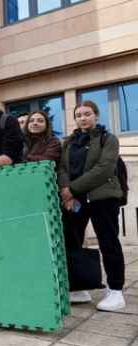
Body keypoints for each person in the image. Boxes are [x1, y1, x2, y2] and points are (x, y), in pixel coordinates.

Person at [58, 100, 126, 311]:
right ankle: (80, 287)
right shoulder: (69, 143)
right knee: (72, 241)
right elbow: (62, 168)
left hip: (102, 198)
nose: (82, 118)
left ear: (96, 116)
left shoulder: (108, 139)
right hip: (75, 200)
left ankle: (116, 291)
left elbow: (104, 168)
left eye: (87, 114)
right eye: (78, 115)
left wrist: (72, 188)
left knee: (108, 242)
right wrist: (65, 190)